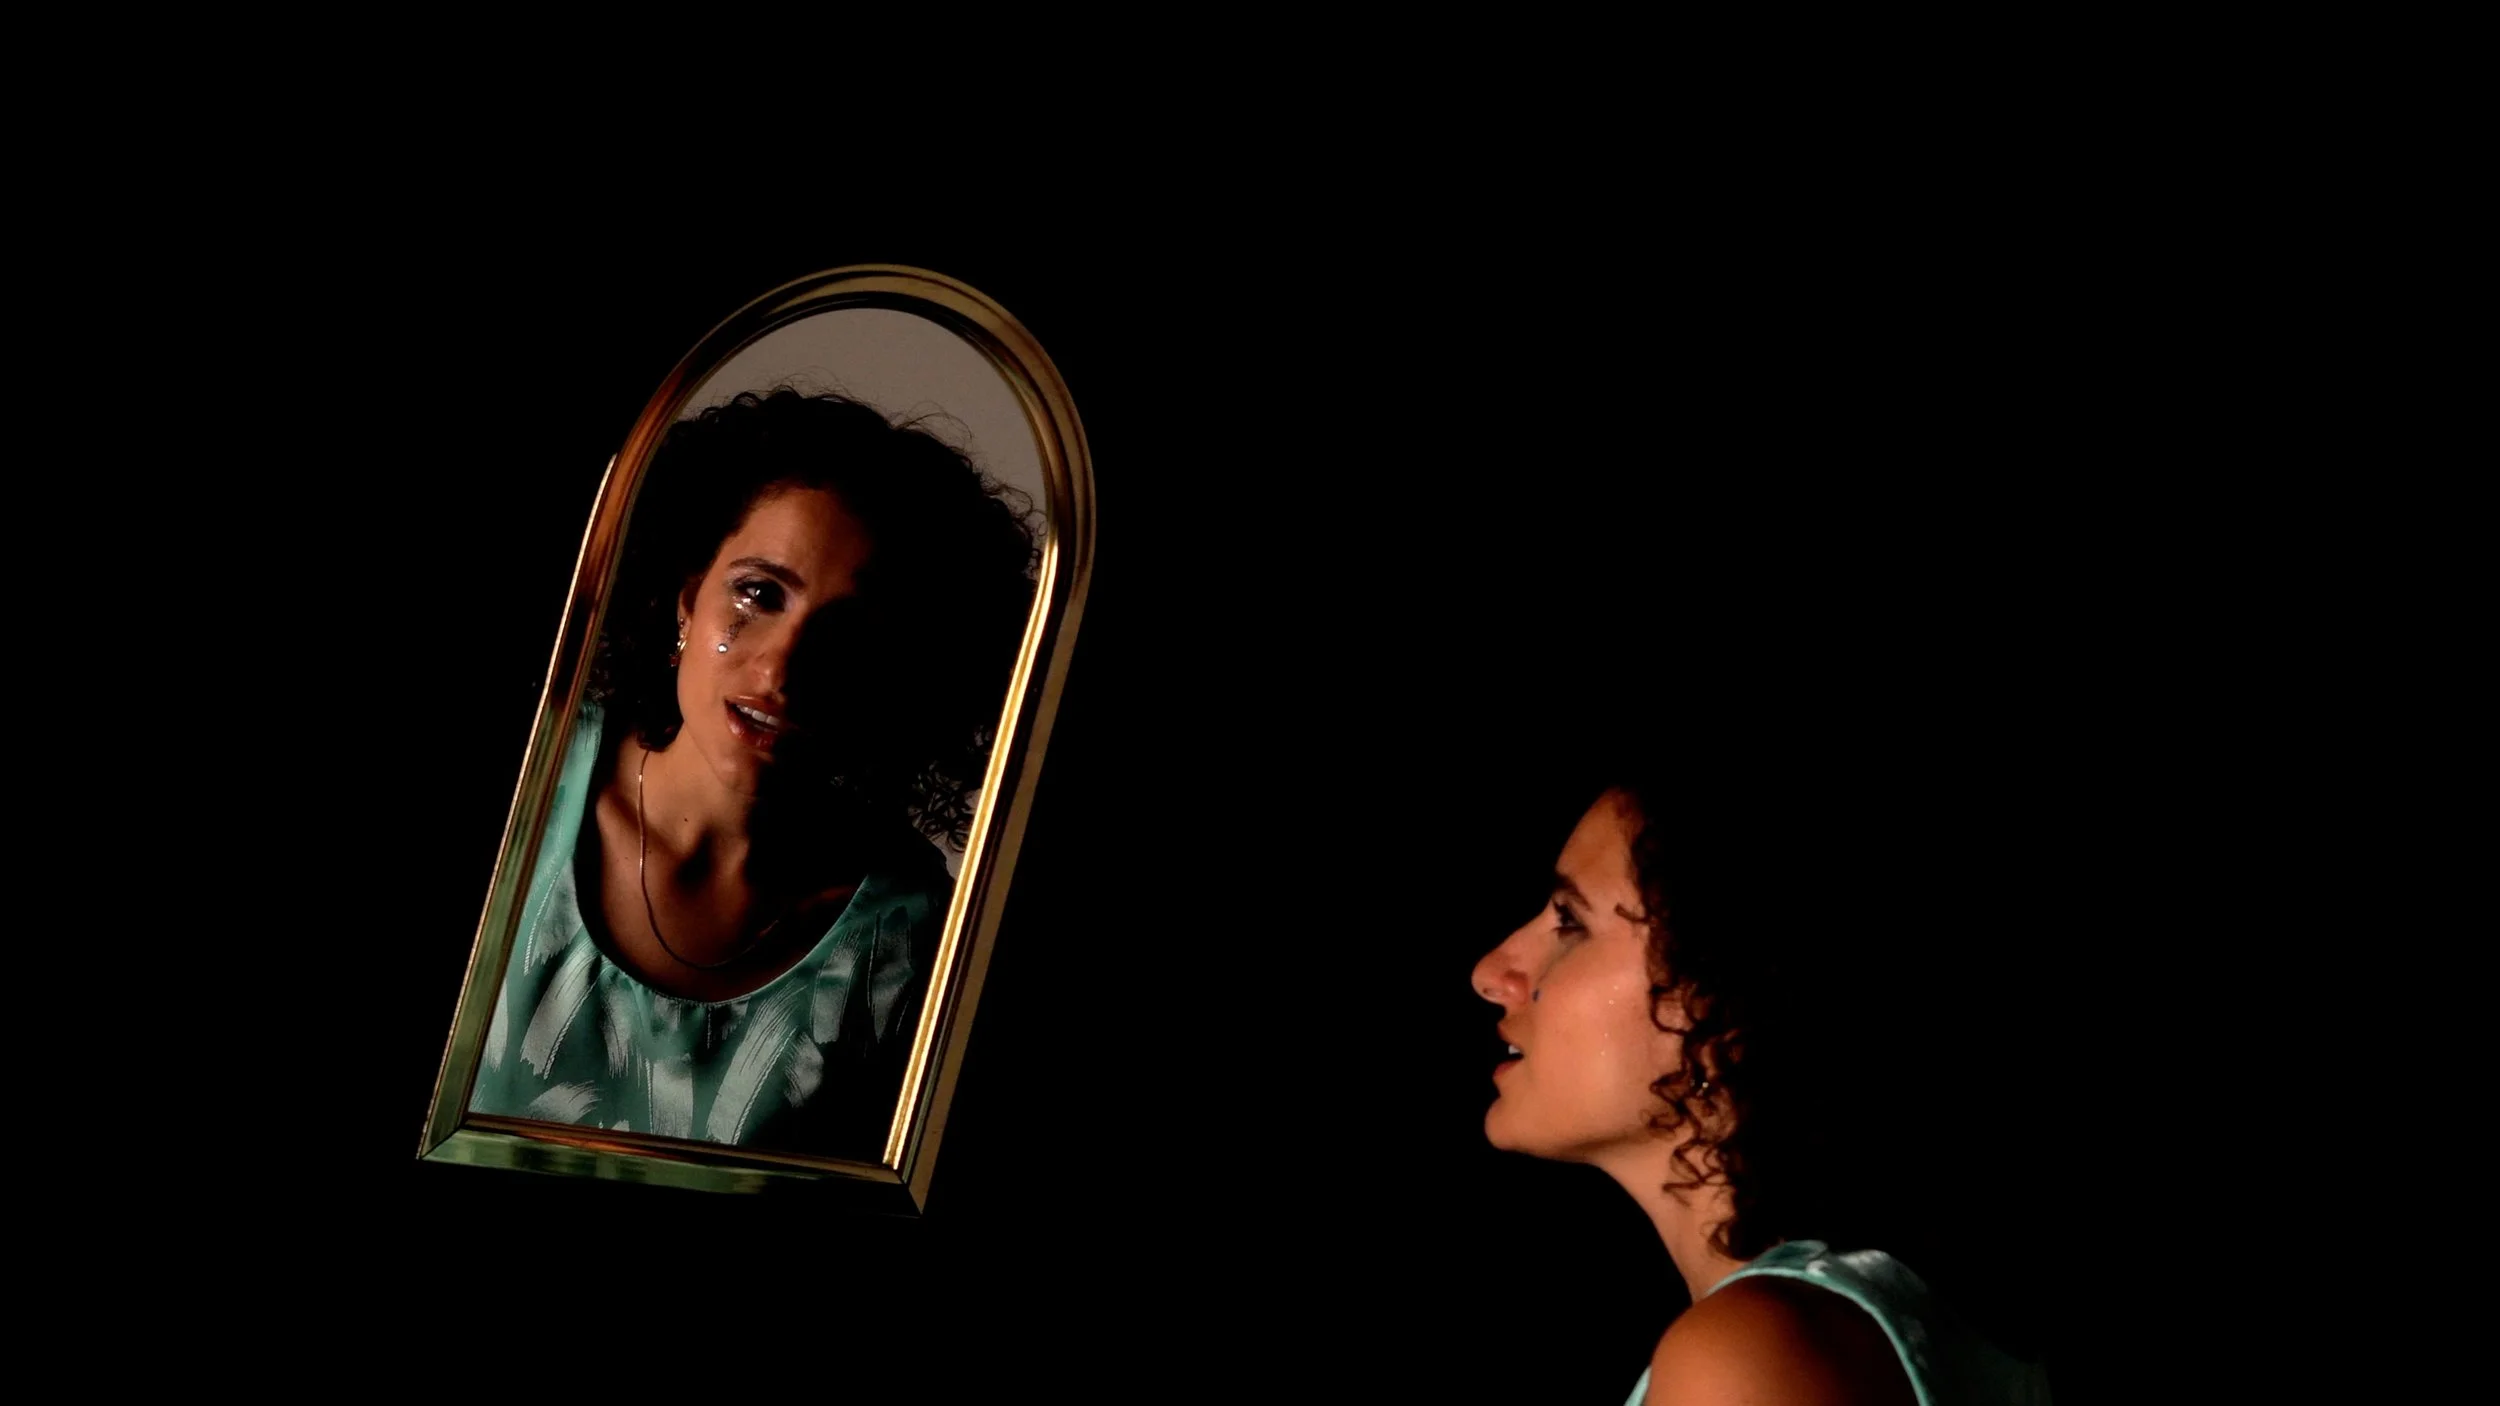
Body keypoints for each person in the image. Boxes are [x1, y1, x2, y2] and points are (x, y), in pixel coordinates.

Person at [468, 387, 1037, 1160]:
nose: (784, 668)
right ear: (685, 600)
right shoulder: (523, 787)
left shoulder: (911, 942)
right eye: (758, 594)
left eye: (852, 636)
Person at [1469, 764, 2056, 1406]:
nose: (1493, 972)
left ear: (1724, 1004)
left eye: (1569, 920)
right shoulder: (1869, 1315)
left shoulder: (1747, 1357)